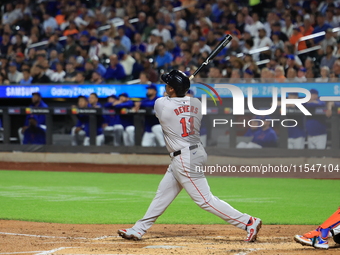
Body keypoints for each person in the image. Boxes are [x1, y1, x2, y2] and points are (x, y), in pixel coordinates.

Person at [118, 70, 262, 242]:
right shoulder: (196, 102)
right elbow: (181, 98)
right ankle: (139, 229)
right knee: (163, 194)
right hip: (194, 152)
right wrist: (181, 85)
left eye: (168, 85)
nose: (165, 86)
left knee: (205, 200)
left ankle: (248, 221)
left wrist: (180, 85)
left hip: (185, 158)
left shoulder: (161, 104)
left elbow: (162, 98)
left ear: (172, 89)